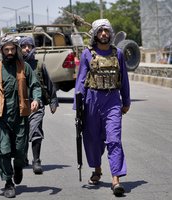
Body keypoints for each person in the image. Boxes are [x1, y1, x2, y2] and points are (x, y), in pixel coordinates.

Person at [0, 35, 42, 198]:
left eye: (12, 49)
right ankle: (8, 182)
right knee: (3, 151)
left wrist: (36, 99)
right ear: (1, 51)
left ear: (16, 50)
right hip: (1, 118)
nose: (9, 52)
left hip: (20, 117)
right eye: (6, 49)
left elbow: (35, 85)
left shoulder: (24, 66)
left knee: (20, 151)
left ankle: (18, 167)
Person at [73, 19, 130, 197]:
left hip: (112, 100)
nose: (104, 34)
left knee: (114, 139)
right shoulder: (87, 54)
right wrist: (78, 106)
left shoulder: (118, 53)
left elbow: (125, 78)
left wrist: (126, 101)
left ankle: (116, 179)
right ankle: (97, 169)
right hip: (92, 100)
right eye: (100, 31)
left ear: (110, 33)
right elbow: (81, 80)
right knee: (93, 140)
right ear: (95, 34)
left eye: (106, 31)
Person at [18, 36, 58, 174]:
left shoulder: (39, 66)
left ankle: (36, 160)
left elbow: (49, 84)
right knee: (21, 134)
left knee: (35, 131)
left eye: (29, 46)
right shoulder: (15, 66)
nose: (27, 49)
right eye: (23, 46)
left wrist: (53, 101)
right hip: (19, 106)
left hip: (36, 104)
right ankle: (22, 158)